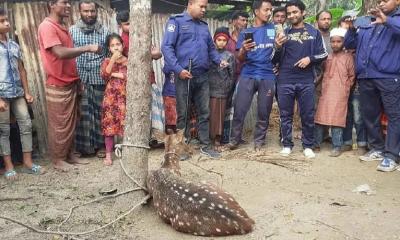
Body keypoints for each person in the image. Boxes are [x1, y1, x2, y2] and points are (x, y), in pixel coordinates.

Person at [38, 0, 101, 171]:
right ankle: (58, 160)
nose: (67, 6)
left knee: (73, 121)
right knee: (60, 124)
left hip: (70, 80)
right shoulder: (47, 27)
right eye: (64, 2)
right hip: (58, 82)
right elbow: (59, 52)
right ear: (52, 4)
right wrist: (87, 47)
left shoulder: (62, 25)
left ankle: (70, 155)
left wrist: (76, 78)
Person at [161, 0, 227, 158]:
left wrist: (219, 60)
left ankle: (205, 145)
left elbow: (211, 48)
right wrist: (178, 69)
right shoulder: (176, 21)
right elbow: (166, 47)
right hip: (184, 75)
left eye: (205, 7)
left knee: (204, 112)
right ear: (190, 4)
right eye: (201, 6)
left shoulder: (204, 26)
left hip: (202, 76)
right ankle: (181, 149)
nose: (204, 10)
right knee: (183, 114)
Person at [344, 0, 400, 172]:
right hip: (366, 76)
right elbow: (349, 45)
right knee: (370, 114)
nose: (381, 3)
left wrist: (387, 21)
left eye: (386, 0)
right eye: (380, 1)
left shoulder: (396, 19)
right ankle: (377, 148)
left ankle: (391, 155)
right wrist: (352, 30)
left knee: (394, 116)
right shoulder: (367, 21)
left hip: (389, 76)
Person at [275, 0, 328, 158]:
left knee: (307, 114)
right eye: (289, 13)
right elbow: (273, 59)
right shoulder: (283, 33)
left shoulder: (314, 32)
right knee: (285, 114)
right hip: (285, 79)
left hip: (306, 80)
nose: (291, 15)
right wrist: (277, 46)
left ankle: (308, 145)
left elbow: (324, 53)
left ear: (303, 13)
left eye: (295, 12)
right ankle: (286, 144)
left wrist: (309, 59)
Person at [0, 8, 44, 180]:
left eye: (7, 20)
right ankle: (9, 166)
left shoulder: (14, 44)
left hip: (17, 92)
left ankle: (28, 162)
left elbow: (22, 69)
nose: (7, 23)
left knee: (25, 125)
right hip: (2, 94)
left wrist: (27, 92)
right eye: (2, 21)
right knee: (3, 130)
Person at [228, 0, 277, 151]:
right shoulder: (245, 33)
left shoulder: (274, 30)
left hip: (267, 75)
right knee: (239, 109)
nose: (269, 13)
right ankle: (234, 140)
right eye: (266, 10)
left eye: (270, 10)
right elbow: (240, 58)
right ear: (256, 11)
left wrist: (280, 47)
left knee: (264, 111)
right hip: (248, 74)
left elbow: (281, 52)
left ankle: (259, 142)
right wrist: (243, 49)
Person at [70, 0, 109, 158]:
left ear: (96, 11)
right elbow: (68, 55)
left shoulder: (104, 31)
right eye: (86, 11)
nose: (89, 14)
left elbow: (108, 55)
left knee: (100, 111)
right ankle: (83, 148)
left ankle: (101, 146)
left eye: (92, 11)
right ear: (79, 11)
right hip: (80, 77)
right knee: (82, 113)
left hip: (99, 77)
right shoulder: (72, 31)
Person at [314, 27, 355, 157]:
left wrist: (345, 88)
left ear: (343, 42)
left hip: (341, 93)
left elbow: (351, 76)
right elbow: (322, 73)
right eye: (333, 41)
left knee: (337, 121)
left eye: (338, 41)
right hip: (326, 92)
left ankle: (337, 146)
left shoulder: (348, 57)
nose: (335, 44)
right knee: (320, 118)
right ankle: (316, 143)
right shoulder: (327, 57)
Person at [339, 16, 368, 155]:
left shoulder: (365, 39)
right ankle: (347, 142)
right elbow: (348, 42)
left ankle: (362, 143)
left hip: (357, 83)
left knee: (358, 114)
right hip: (344, 84)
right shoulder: (350, 38)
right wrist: (351, 29)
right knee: (346, 114)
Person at [100, 33, 128, 166]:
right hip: (110, 98)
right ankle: (108, 155)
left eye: (118, 44)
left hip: (124, 97)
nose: (116, 48)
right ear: (109, 48)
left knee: (125, 124)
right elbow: (105, 74)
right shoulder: (106, 61)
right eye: (112, 45)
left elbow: (130, 76)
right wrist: (112, 61)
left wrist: (116, 74)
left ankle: (125, 153)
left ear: (122, 45)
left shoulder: (128, 61)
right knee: (109, 126)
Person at [223, 11, 249, 145]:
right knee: (226, 105)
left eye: (246, 20)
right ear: (234, 22)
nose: (244, 23)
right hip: (226, 78)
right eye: (242, 20)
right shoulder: (225, 39)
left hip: (242, 76)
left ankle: (236, 137)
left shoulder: (249, 39)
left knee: (239, 106)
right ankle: (224, 136)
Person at [208, 27, 235, 151]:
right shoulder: (209, 54)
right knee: (208, 114)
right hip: (208, 89)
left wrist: (228, 89)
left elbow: (232, 75)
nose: (221, 42)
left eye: (224, 40)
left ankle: (217, 139)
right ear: (214, 40)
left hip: (222, 90)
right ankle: (207, 138)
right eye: (219, 39)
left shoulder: (229, 56)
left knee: (219, 115)